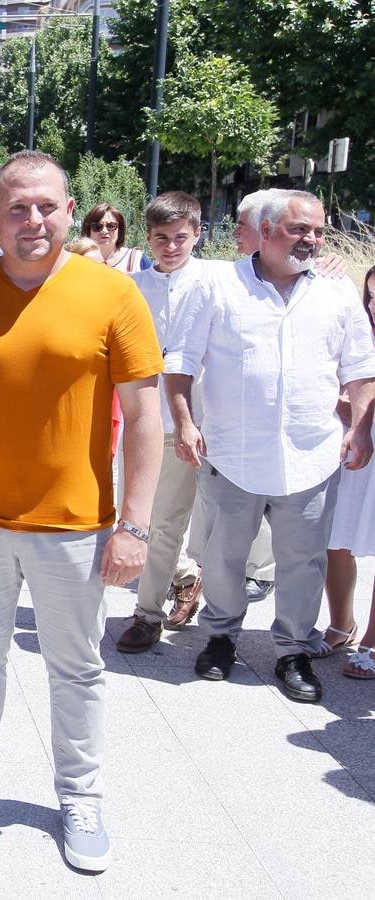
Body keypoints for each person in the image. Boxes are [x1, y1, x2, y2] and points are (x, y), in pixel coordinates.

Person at [0, 151, 163, 872]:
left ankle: (79, 794)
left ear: (68, 209)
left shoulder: (113, 296)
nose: (32, 220)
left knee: (75, 668)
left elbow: (145, 421)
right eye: (16, 208)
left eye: (46, 206)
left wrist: (134, 525)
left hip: (74, 528)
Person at [164, 189, 375, 703]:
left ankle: (293, 650)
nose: (312, 240)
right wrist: (186, 424)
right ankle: (220, 637)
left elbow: (360, 366)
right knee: (223, 557)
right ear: (265, 231)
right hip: (232, 453)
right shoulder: (218, 284)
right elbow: (180, 361)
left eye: (318, 231)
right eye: (299, 229)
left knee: (303, 561)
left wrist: (362, 427)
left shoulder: (336, 291)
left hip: (312, 452)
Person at [115, 192, 211, 652]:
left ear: (197, 233)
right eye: (161, 238)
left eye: (180, 238)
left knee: (168, 521)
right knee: (133, 513)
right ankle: (186, 578)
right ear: (148, 239)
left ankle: (146, 614)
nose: (171, 247)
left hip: (195, 417)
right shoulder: (132, 287)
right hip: (141, 417)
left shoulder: (216, 281)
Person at [324, 264, 375, 677]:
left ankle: (373, 641)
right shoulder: (360, 331)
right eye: (371, 296)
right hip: (349, 446)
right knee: (335, 536)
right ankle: (342, 623)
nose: (374, 305)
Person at [81, 203, 145, 273]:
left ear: (120, 230)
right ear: (88, 230)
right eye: (97, 226)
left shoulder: (137, 260)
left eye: (111, 226)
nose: (104, 231)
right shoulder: (78, 260)